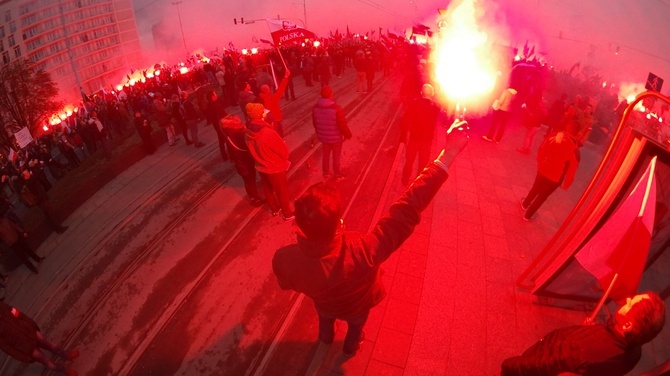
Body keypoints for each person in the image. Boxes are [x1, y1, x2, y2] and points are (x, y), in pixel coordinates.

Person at [272, 120, 468, 356]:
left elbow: (286, 284)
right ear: (339, 225)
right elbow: (406, 210)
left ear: (298, 228)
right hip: (357, 307)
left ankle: (325, 337)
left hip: (324, 305)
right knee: (356, 326)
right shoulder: (364, 249)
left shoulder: (284, 259)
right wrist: (448, 154)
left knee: (325, 319)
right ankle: (350, 347)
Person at [501, 292, 666, 376]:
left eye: (631, 304)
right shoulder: (635, 352)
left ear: (628, 325)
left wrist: (509, 366)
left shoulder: (577, 348)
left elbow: (540, 363)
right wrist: (593, 331)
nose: (628, 300)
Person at [0, 301, 79, 375]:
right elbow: (8, 348)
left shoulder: (2, 306)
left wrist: (31, 324)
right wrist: (21, 356)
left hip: (29, 332)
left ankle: (66, 355)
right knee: (47, 361)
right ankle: (65, 371)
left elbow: (19, 315)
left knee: (50, 345)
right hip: (26, 347)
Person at [520, 124, 580, 221]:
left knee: (535, 188)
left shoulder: (555, 136)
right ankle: (528, 215)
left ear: (567, 128)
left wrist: (540, 164)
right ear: (578, 133)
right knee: (542, 196)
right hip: (555, 178)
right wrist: (566, 185)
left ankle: (524, 204)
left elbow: (542, 149)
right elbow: (571, 171)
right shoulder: (575, 151)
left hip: (543, 169)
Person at [244, 103, 293, 220]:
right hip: (274, 166)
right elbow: (284, 151)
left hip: (261, 166)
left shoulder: (248, 131)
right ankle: (287, 213)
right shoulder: (267, 132)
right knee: (281, 191)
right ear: (260, 116)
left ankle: (274, 209)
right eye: (263, 112)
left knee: (268, 189)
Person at [400, 83, 448, 185]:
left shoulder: (415, 103)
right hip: (427, 140)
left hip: (414, 138)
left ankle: (405, 179)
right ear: (432, 94)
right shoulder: (435, 106)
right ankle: (418, 182)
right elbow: (444, 111)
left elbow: (406, 119)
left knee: (409, 160)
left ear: (421, 93)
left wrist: (403, 135)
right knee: (423, 163)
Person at [220, 115, 263, 207]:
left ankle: (252, 198)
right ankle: (256, 200)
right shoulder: (239, 134)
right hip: (246, 162)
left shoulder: (228, 134)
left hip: (239, 163)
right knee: (251, 180)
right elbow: (248, 146)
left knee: (247, 181)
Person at [312, 85, 352, 181]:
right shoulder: (336, 108)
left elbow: (315, 123)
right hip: (336, 138)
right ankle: (337, 174)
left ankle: (326, 173)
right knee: (336, 156)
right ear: (331, 95)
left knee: (325, 155)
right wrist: (348, 135)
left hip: (324, 137)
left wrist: (320, 133)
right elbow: (342, 125)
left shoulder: (315, 107)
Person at [20, 170, 68, 234]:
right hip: (41, 200)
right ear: (25, 176)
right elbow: (36, 177)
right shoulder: (29, 182)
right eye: (27, 172)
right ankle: (59, 228)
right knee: (51, 214)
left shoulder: (28, 182)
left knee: (48, 215)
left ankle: (56, 229)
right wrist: (33, 173)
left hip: (40, 201)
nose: (29, 172)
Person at [259, 69, 291, 137]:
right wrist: (286, 77)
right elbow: (281, 89)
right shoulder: (272, 99)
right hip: (275, 119)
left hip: (266, 121)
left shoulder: (258, 99)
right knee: (279, 134)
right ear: (268, 90)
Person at [204, 90, 229, 161]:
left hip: (217, 126)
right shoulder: (215, 105)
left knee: (221, 141)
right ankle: (230, 155)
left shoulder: (209, 105)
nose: (216, 95)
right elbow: (222, 114)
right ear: (212, 97)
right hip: (221, 125)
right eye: (215, 94)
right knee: (227, 139)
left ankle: (224, 155)